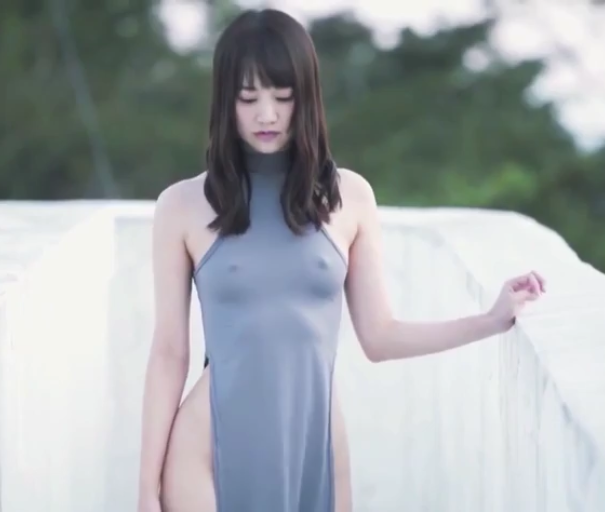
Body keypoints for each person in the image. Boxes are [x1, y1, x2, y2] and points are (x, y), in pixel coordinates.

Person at [137, 8, 546, 512]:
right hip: (207, 453)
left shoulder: (349, 198)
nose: (266, 114)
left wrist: (490, 320)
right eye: (248, 98)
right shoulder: (182, 205)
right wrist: (146, 487)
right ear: (226, 101)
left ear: (306, 97)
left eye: (282, 96)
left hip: (318, 449)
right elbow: (169, 353)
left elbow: (380, 336)